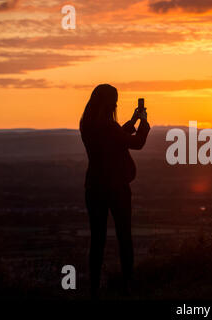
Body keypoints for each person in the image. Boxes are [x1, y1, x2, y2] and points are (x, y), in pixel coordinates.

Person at [79, 84, 150, 298]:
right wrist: (144, 123)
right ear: (110, 102)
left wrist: (133, 120)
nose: (117, 103)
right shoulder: (108, 127)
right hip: (117, 188)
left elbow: (116, 138)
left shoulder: (88, 124)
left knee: (97, 240)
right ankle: (128, 285)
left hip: (94, 187)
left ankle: (93, 288)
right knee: (124, 237)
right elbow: (135, 143)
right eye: (115, 100)